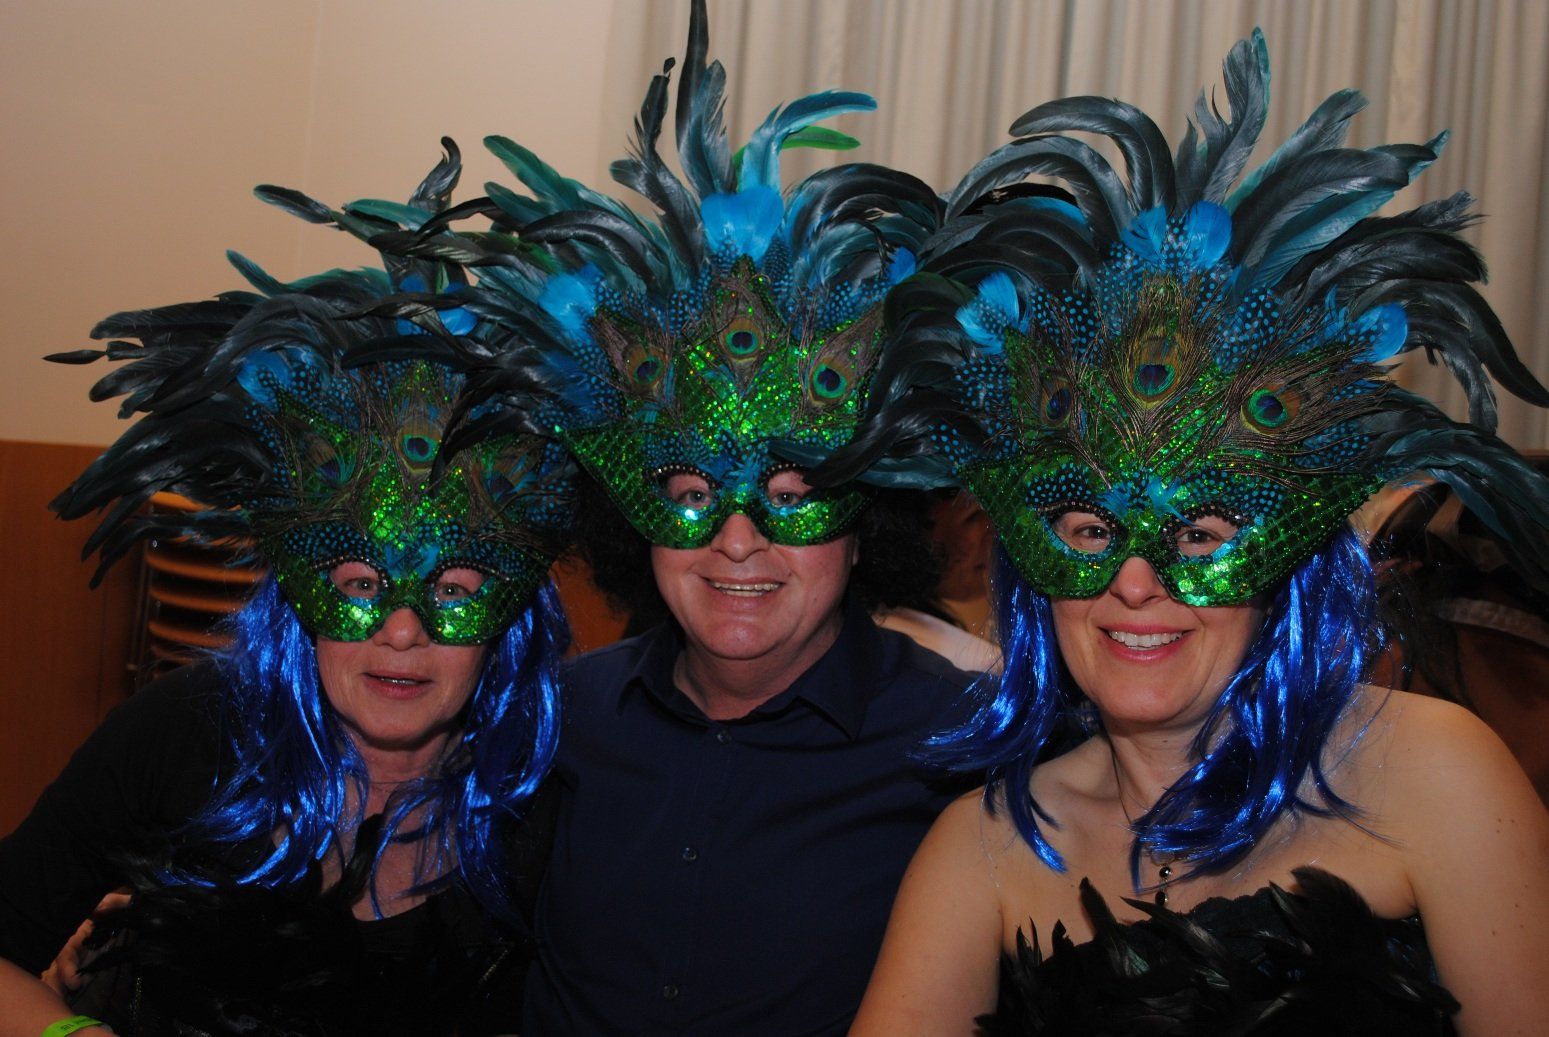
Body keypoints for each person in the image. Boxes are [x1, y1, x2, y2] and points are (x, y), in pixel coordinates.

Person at [844, 31, 1549, 1036]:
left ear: (1285, 560)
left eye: (1201, 533)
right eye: (1089, 528)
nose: (1135, 583)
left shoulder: (1437, 775)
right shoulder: (989, 845)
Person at [385, 4, 979, 1031]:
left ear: (863, 526)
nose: (737, 541)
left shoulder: (963, 738)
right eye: (693, 495)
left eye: (792, 498)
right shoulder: (551, 718)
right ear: (637, 519)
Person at [0, 146, 576, 1036]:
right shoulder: (184, 735)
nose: (401, 632)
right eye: (359, 583)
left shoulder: (556, 812)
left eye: (456, 590)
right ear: (300, 594)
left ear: (513, 618)